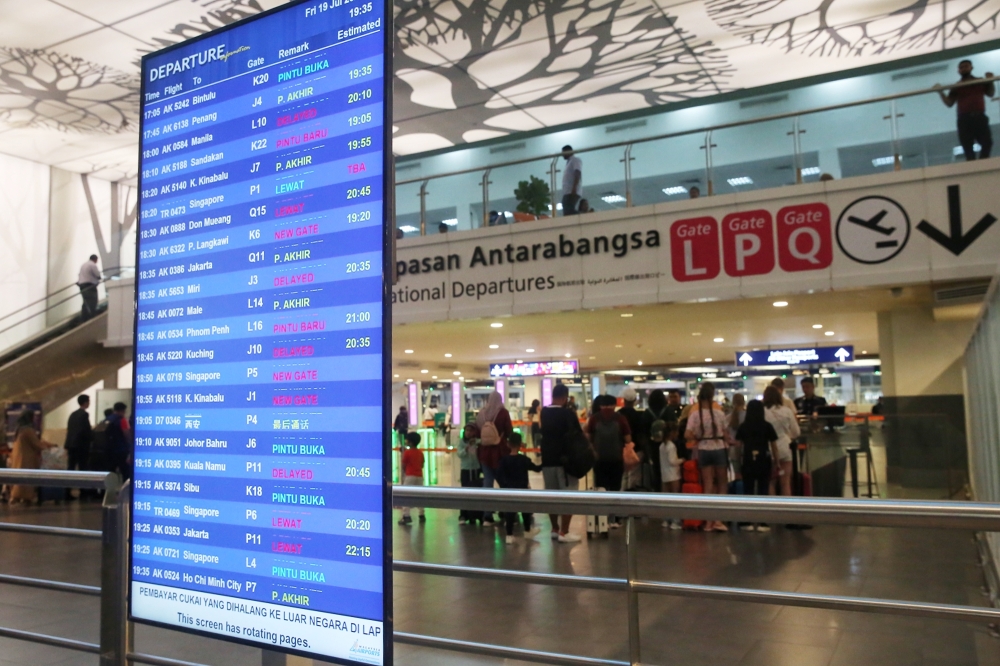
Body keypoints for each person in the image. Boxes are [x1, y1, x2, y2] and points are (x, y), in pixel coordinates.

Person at [539, 383, 582, 542]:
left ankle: (554, 529)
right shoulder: (568, 414)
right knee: (568, 495)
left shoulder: (544, 412)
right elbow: (576, 435)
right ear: (564, 397)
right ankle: (565, 531)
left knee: (551, 496)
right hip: (565, 462)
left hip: (547, 460)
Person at [684, 382, 730, 531]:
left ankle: (708, 521)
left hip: (703, 448)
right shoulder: (720, 413)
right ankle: (719, 519)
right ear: (712, 396)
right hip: (719, 448)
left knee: (708, 485)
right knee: (722, 484)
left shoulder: (695, 414)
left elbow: (687, 434)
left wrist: (697, 436)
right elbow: (726, 434)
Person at [587, 394, 632, 527]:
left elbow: (588, 438)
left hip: (599, 460)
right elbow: (628, 439)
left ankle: (603, 520)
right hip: (616, 459)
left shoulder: (594, 418)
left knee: (601, 489)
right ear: (614, 404)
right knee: (616, 489)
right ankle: (616, 519)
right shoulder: (620, 418)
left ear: (600, 404)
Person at [937, 60, 995, 160]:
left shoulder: (979, 81)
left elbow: (990, 93)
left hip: (979, 116)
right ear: (958, 71)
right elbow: (949, 103)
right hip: (964, 118)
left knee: (987, 143)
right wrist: (940, 92)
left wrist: (990, 81)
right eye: (961, 67)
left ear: (971, 67)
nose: (963, 69)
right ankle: (975, 167)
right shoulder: (957, 86)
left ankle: (982, 164)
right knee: (967, 147)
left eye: (966, 66)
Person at [736, 400, 779, 532]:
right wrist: (776, 461)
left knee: (747, 490)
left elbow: (738, 447)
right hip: (763, 459)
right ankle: (762, 522)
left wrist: (738, 462)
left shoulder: (743, 426)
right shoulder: (767, 426)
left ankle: (746, 521)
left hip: (748, 459)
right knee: (763, 490)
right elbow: (774, 446)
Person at [496, 433, 543, 544]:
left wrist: (505, 486)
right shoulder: (524, 459)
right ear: (520, 444)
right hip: (523, 489)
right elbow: (537, 469)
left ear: (508, 444)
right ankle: (527, 530)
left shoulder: (504, 460)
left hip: (509, 490)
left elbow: (498, 475)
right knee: (525, 510)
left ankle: (509, 535)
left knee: (510, 512)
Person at [476, 391, 513, 524]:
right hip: (500, 452)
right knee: (504, 483)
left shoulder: (482, 413)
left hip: (484, 452)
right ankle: (505, 512)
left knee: (487, 483)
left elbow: (477, 429)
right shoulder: (503, 413)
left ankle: (487, 516)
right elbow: (509, 430)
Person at [9, 409, 55, 505]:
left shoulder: (19, 429)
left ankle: (16, 497)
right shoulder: (28, 430)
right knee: (26, 480)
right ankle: (23, 497)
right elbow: (36, 444)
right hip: (27, 459)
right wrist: (49, 446)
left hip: (18, 458)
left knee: (18, 478)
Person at [763, 386, 801, 497]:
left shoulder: (762, 412)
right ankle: (787, 508)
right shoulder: (787, 411)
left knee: (771, 482)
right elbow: (796, 432)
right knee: (785, 482)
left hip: (768, 450)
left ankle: (772, 509)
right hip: (785, 448)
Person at [618, 387, 655, 490]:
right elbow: (643, 434)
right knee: (634, 476)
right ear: (635, 400)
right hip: (636, 450)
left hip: (621, 450)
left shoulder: (618, 416)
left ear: (623, 400)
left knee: (623, 475)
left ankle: (621, 496)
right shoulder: (640, 416)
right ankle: (631, 496)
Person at [64, 395, 93, 498]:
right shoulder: (84, 415)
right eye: (88, 401)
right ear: (85, 402)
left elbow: (70, 430)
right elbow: (85, 431)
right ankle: (83, 491)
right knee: (82, 468)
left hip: (71, 445)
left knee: (70, 468)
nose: (89, 403)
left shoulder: (73, 414)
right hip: (81, 446)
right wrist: (91, 439)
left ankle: (67, 491)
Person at [456, 423, 483, 525]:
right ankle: (464, 515)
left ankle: (477, 514)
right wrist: (467, 448)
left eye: (471, 431)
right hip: (466, 470)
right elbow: (460, 454)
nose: (468, 433)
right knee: (465, 492)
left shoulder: (477, 441)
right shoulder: (462, 442)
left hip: (476, 469)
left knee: (477, 492)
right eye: (467, 430)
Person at [399, 432, 426, 525]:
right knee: (419, 495)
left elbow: (403, 465)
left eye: (406, 440)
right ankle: (421, 514)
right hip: (419, 476)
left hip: (410, 476)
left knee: (405, 495)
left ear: (410, 442)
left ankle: (406, 516)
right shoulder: (420, 452)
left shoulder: (407, 453)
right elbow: (422, 464)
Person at [659, 421, 682, 529]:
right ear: (672, 433)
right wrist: (682, 460)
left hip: (664, 475)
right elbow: (673, 461)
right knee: (675, 498)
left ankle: (666, 520)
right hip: (673, 475)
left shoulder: (662, 446)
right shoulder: (671, 446)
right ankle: (675, 521)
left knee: (666, 499)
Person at [105, 402, 131, 481]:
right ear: (122, 410)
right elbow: (126, 434)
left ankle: (108, 491)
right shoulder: (122, 420)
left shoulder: (106, 419)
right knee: (125, 472)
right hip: (121, 450)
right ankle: (125, 491)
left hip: (108, 450)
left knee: (110, 473)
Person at [727, 393, 747, 485]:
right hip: (746, 449)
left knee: (736, 475)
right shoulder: (748, 416)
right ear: (744, 402)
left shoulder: (728, 418)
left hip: (733, 450)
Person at [77, 254, 102, 320]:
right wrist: (99, 278)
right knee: (93, 301)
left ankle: (84, 317)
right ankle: (92, 316)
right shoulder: (92, 265)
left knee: (85, 302)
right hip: (89, 285)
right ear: (95, 259)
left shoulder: (83, 265)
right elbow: (97, 275)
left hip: (82, 286)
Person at [561, 145, 582, 215]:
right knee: (567, 210)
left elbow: (577, 172)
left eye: (563, 152)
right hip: (568, 191)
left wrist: (574, 188)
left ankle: (582, 215)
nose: (562, 155)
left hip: (571, 191)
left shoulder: (575, 160)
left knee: (568, 211)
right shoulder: (569, 162)